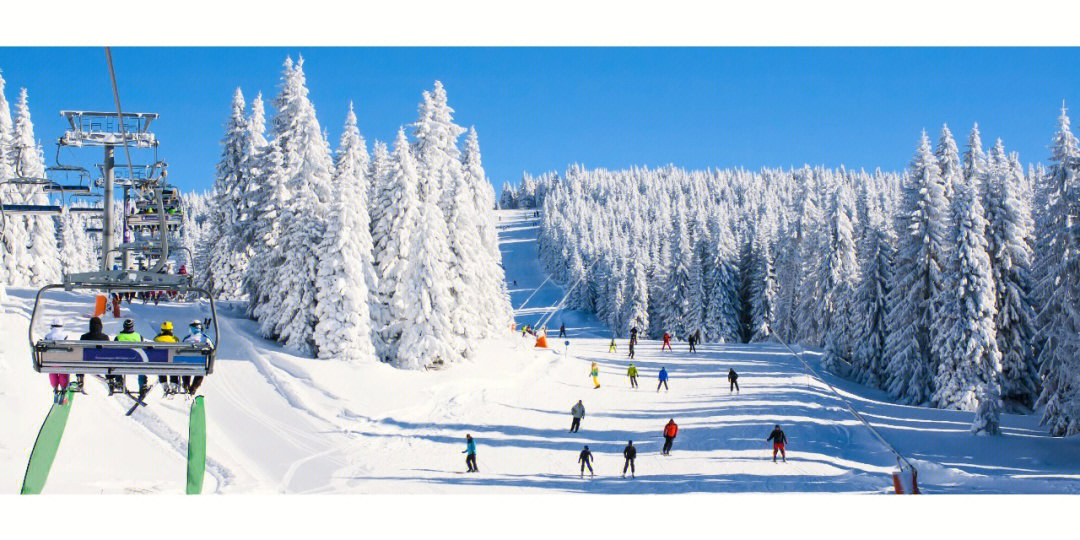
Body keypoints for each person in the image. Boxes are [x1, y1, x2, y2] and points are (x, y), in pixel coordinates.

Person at [114, 319, 147, 393]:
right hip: (136, 361)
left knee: (115, 361)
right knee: (142, 367)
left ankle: (119, 380)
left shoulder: (118, 337)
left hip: (122, 362)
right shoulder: (139, 336)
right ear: (132, 326)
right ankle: (142, 385)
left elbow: (114, 352)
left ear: (124, 326)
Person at [182, 320, 214, 394]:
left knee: (186, 368)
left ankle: (186, 385)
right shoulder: (205, 338)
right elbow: (212, 348)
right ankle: (194, 387)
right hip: (200, 365)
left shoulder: (187, 339)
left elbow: (180, 350)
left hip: (187, 365)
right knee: (201, 371)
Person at [79, 316, 110, 392]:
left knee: (80, 358)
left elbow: (80, 350)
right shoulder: (105, 337)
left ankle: (80, 379)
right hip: (102, 363)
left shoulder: (84, 337)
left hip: (87, 362)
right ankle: (110, 379)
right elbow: (109, 352)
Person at [44, 320, 70, 401]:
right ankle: (63, 388)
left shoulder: (47, 336)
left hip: (50, 362)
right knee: (63, 370)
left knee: (52, 370)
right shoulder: (65, 336)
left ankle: (55, 388)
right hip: (62, 361)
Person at [154, 321, 181, 393]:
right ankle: (174, 384)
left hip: (161, 364)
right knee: (174, 364)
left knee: (160, 364)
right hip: (172, 364)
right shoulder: (175, 339)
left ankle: (164, 384)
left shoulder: (157, 339)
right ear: (171, 330)